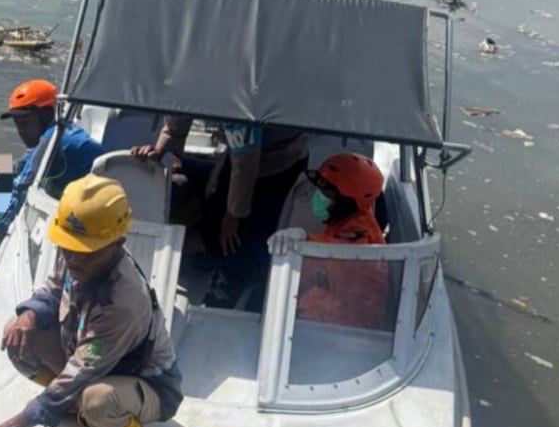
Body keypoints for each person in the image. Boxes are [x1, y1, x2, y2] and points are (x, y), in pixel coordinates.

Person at [0, 173, 182, 427]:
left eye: (85, 253)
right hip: (92, 357)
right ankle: (67, 406)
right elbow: (53, 289)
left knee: (96, 400)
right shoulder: (75, 251)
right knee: (19, 337)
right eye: (67, 247)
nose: (73, 259)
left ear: (117, 244)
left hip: (146, 384)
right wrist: (29, 315)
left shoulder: (124, 304)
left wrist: (17, 425)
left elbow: (81, 372)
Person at [132, 117, 307, 306]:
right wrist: (161, 150)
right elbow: (178, 121)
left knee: (244, 236)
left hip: (277, 161)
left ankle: (234, 284)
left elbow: (245, 164)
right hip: (237, 151)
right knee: (215, 211)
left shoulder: (240, 115)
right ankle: (217, 255)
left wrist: (233, 216)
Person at [268, 153, 389, 330]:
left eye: (326, 193)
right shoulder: (353, 219)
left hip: (341, 331)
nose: (319, 196)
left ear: (347, 201)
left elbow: (334, 250)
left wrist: (303, 238)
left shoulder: (358, 241)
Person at [0, 79, 105, 235]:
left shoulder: (53, 140)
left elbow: (23, 186)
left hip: (89, 216)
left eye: (25, 123)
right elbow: (24, 163)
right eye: (17, 124)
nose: (21, 132)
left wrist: (3, 232)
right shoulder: (61, 129)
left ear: (46, 115)